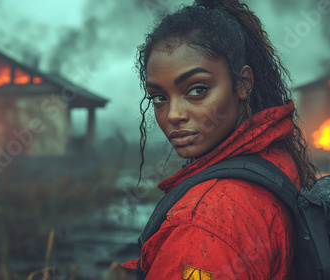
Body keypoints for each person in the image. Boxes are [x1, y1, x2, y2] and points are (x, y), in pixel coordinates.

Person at [121, 0, 318, 278]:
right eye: (159, 97)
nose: (173, 114)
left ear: (243, 84)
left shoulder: (203, 224)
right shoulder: (270, 157)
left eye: (197, 90)